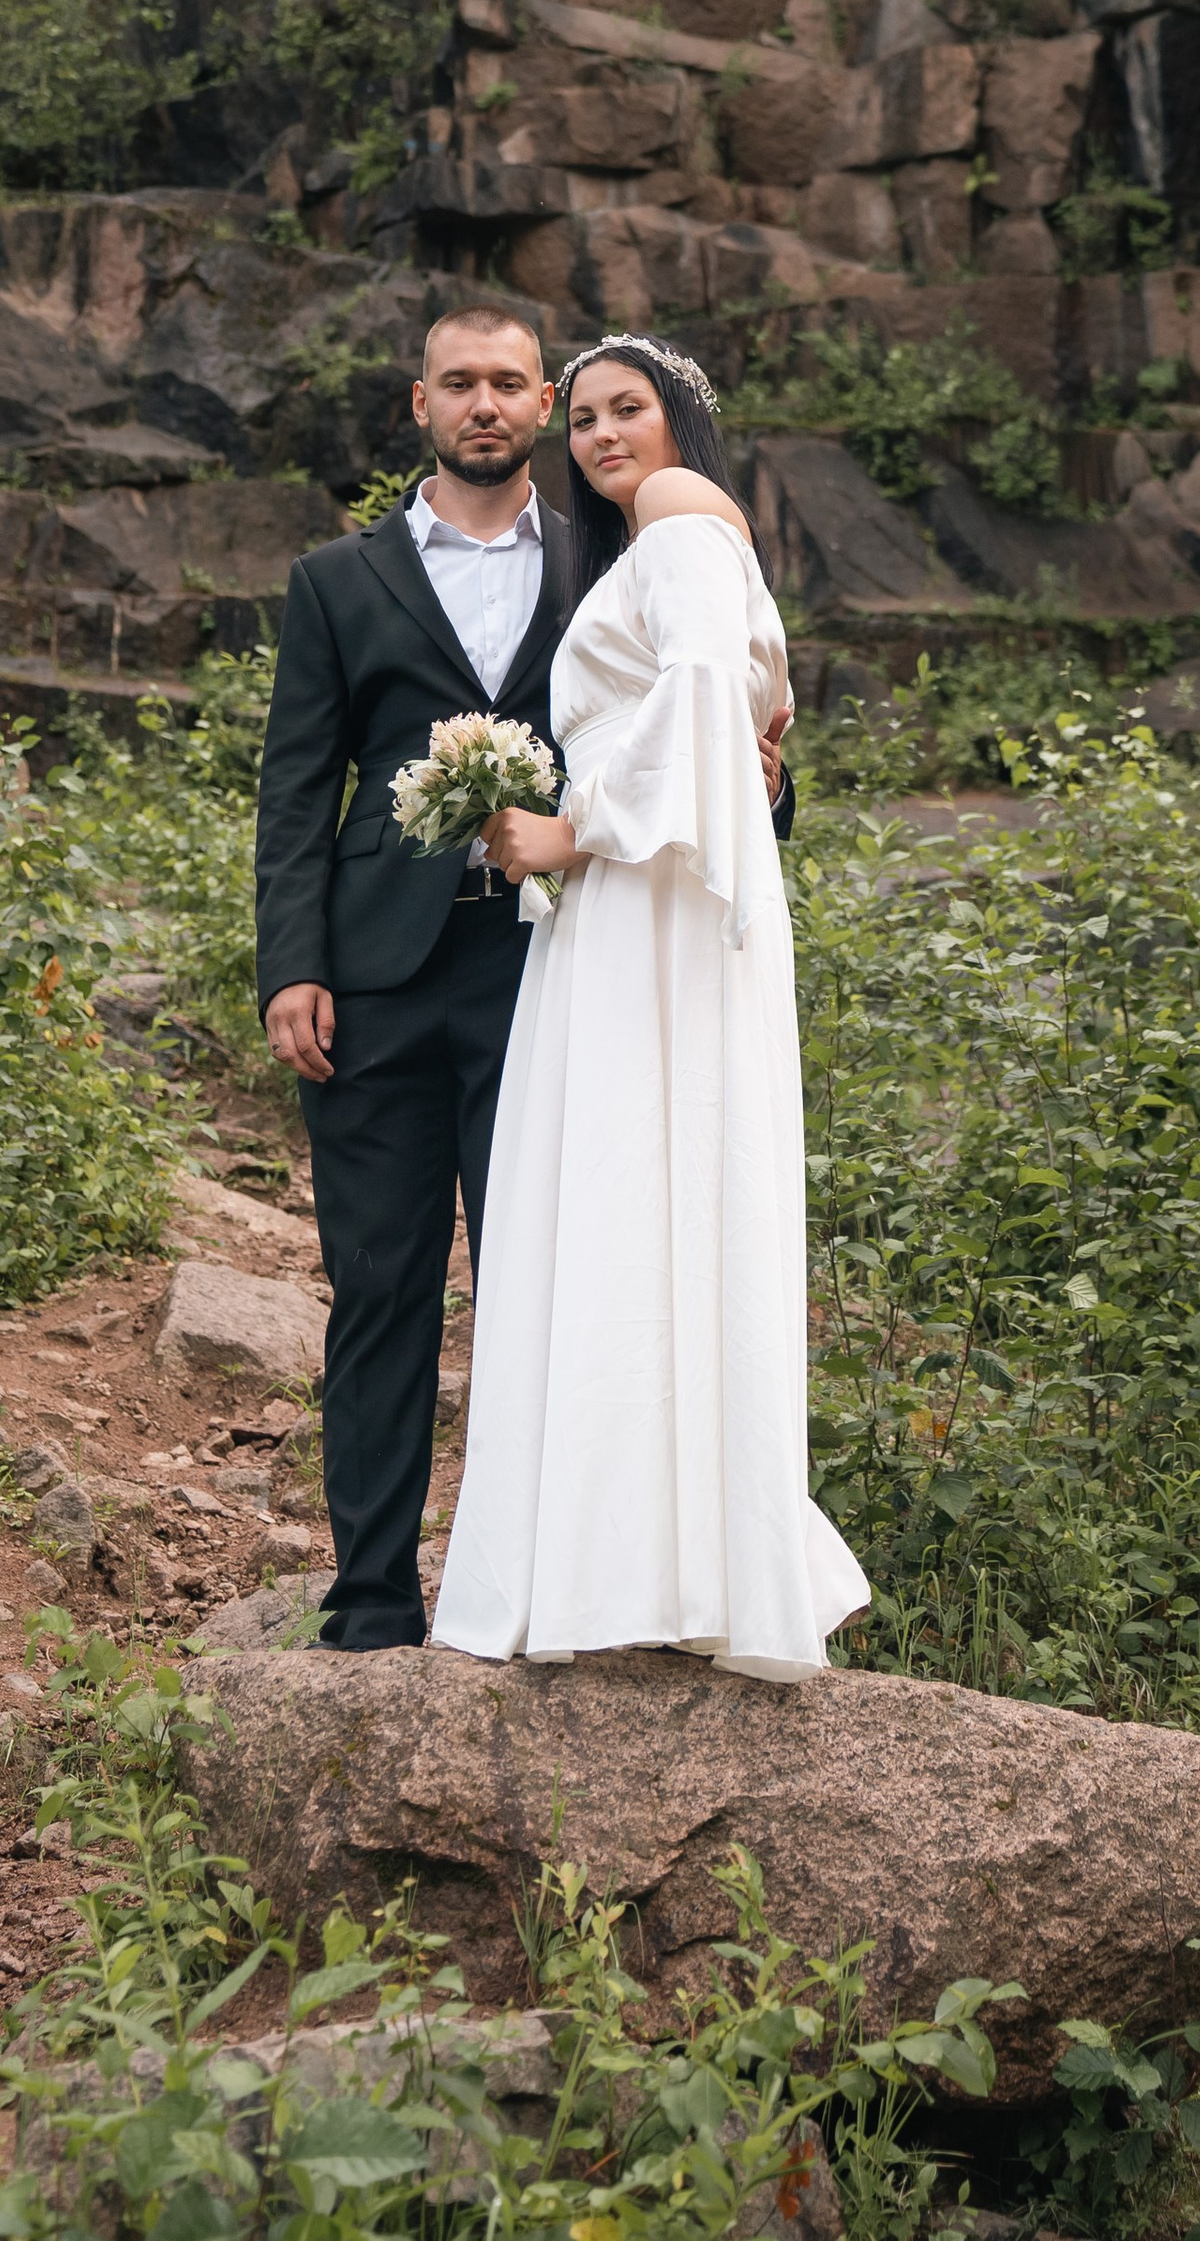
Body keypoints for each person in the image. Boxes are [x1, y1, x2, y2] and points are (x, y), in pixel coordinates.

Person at [252, 305, 790, 1651]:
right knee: (379, 1287)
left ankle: (538, 1587)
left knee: (550, 1290)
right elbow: (297, 788)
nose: (484, 405)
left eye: (510, 385)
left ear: (540, 403)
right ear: (418, 401)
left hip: (552, 975)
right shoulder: (337, 579)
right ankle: (374, 1595)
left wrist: (768, 790)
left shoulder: (610, 556)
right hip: (372, 983)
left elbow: (705, 711)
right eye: (458, 385)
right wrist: (291, 967)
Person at [430, 333, 869, 1683]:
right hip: (647, 910)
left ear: (679, 418)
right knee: (652, 1203)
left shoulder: (680, 514)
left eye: (629, 408)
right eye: (585, 417)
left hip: (645, 908)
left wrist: (573, 831)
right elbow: (745, 710)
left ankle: (617, 1565)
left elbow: (688, 701)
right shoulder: (672, 540)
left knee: (630, 1190)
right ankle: (660, 1562)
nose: (601, 434)